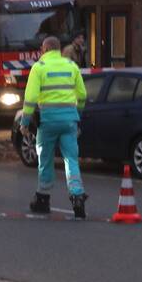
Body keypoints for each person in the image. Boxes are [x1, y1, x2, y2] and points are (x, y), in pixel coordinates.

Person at [20, 36, 89, 218]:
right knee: (71, 159)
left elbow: (31, 99)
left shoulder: (39, 68)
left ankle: (43, 197)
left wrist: (24, 123)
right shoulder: (72, 66)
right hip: (69, 121)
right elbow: (82, 95)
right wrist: (77, 116)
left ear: (44, 49)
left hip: (48, 122)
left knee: (45, 158)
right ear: (58, 49)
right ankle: (77, 195)